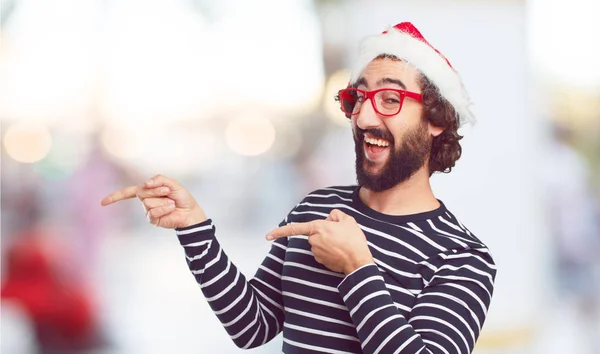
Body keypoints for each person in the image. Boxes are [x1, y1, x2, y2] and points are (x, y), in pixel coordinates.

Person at [102, 22, 496, 353]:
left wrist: (357, 269)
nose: (363, 117)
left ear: (437, 118)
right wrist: (194, 229)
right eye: (358, 98)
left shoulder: (464, 259)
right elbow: (251, 326)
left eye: (390, 98)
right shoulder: (317, 208)